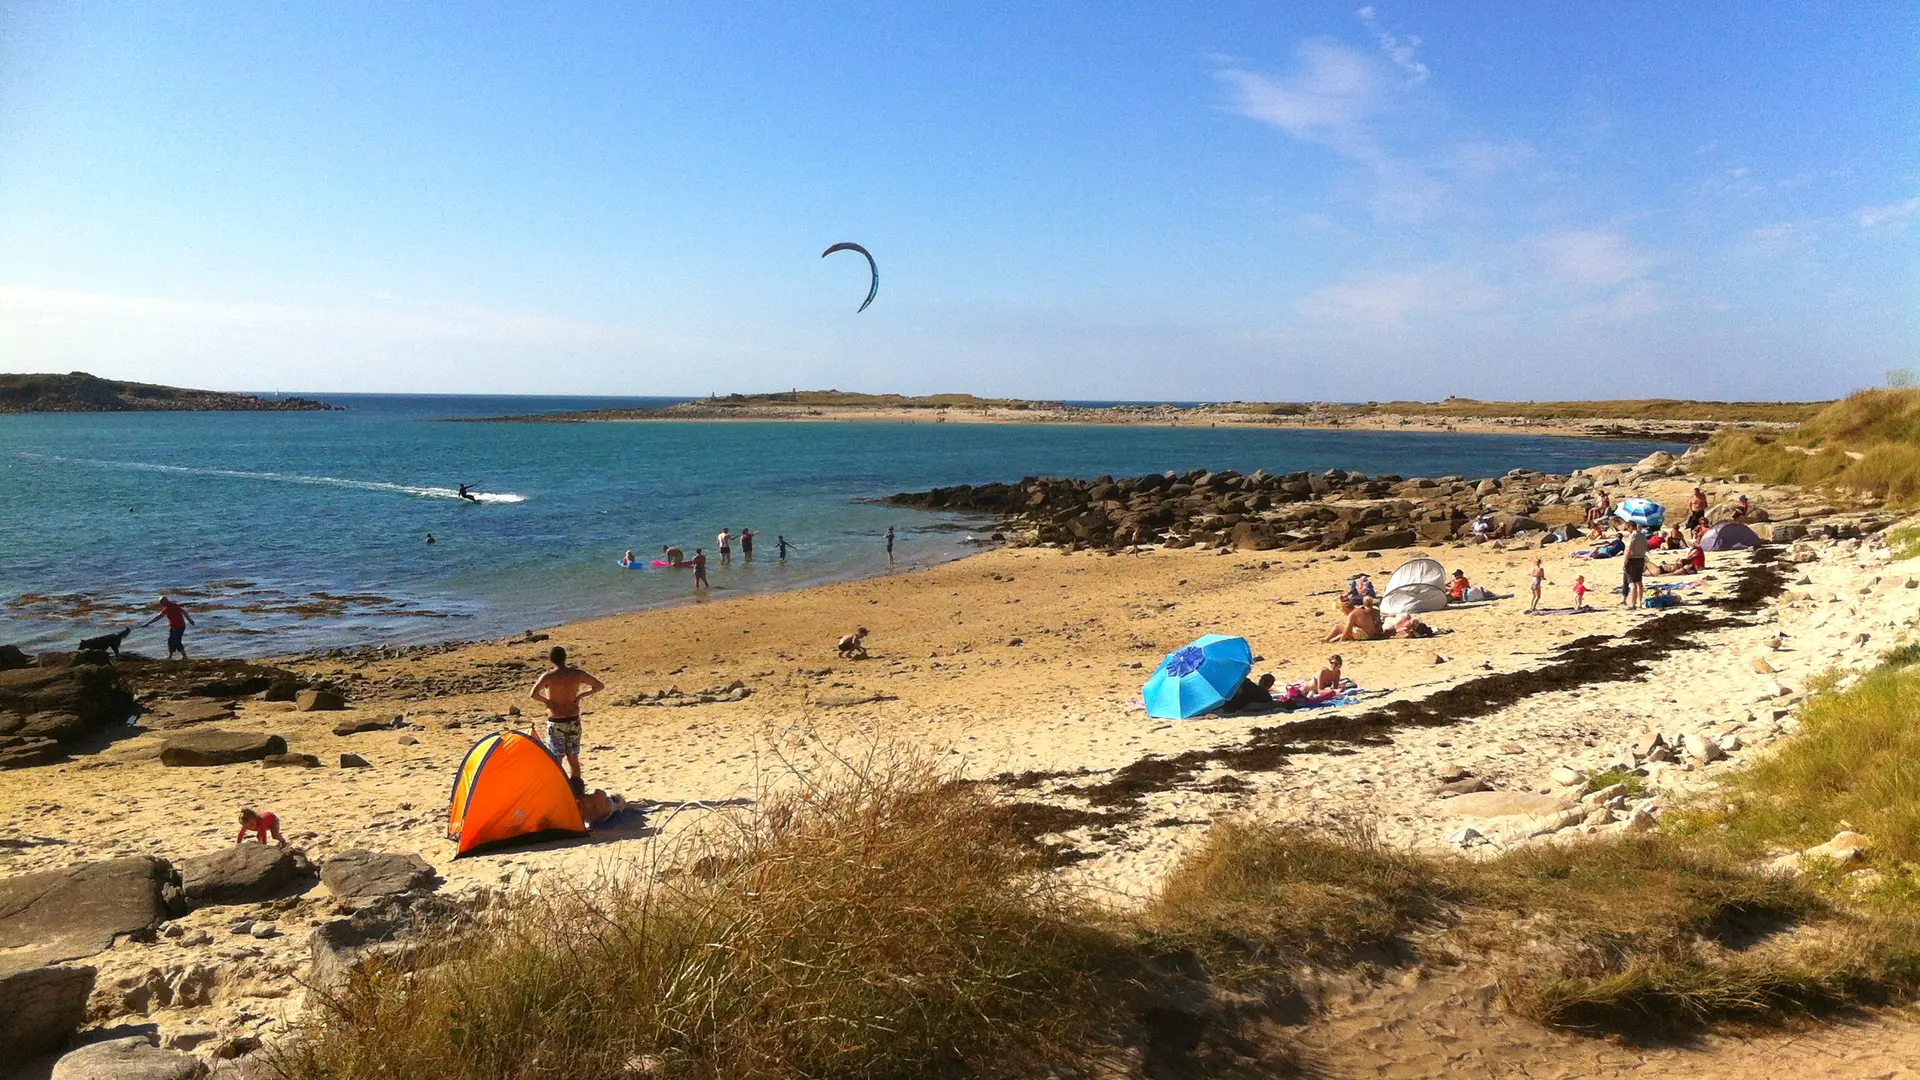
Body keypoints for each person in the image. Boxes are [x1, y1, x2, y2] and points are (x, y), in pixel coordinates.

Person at [529, 646, 604, 784]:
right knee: (573, 759)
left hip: (556, 720)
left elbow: (533, 694)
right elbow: (599, 686)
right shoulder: (577, 674)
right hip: (573, 720)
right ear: (565, 658)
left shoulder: (549, 676)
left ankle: (558, 787)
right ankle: (576, 789)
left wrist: (548, 702)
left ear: (551, 659)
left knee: (557, 759)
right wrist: (580, 695)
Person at [143, 595, 194, 660]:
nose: (161, 604)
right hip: (175, 627)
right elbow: (184, 611)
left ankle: (184, 656)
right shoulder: (174, 605)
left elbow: (158, 617)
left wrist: (148, 623)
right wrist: (189, 620)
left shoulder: (168, 608)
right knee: (170, 641)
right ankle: (170, 656)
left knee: (177, 641)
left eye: (161, 602)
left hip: (179, 627)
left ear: (162, 602)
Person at [1621, 522, 1649, 609]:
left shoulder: (1633, 535)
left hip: (1632, 560)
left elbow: (1628, 549)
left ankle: (1632, 604)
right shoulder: (1643, 535)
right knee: (1639, 582)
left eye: (1627, 528)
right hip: (1641, 559)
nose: (1627, 530)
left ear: (1631, 527)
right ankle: (1640, 602)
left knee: (1632, 583)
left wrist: (1624, 561)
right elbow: (1646, 547)